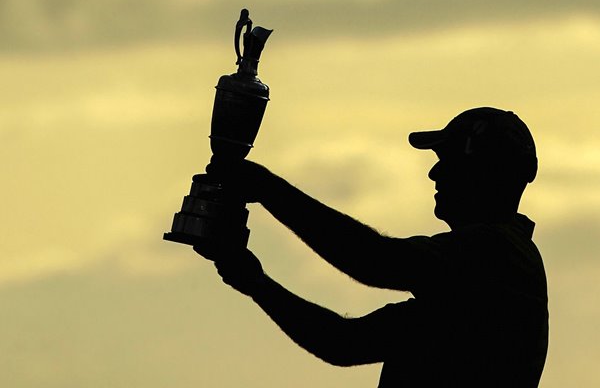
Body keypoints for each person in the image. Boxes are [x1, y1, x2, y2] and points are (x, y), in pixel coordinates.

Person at [194, 107, 549, 387]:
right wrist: (254, 280)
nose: (434, 174)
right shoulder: (472, 282)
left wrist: (268, 189)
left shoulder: (495, 254)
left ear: (482, 173)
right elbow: (342, 343)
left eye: (448, 161)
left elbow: (373, 260)